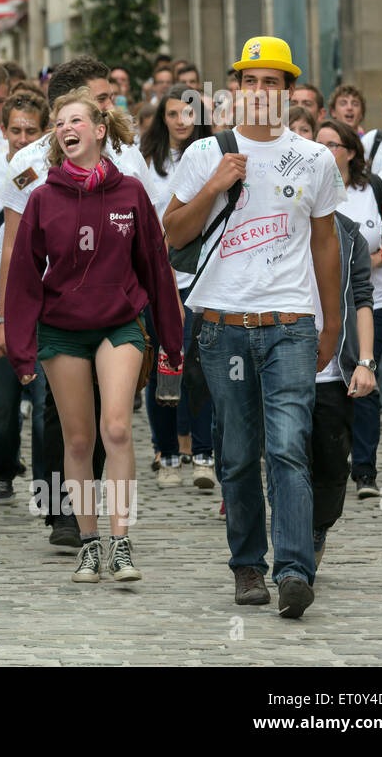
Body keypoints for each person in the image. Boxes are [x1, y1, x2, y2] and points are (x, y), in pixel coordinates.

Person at [164, 35, 344, 619]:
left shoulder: (314, 158)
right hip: (221, 324)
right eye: (251, 80)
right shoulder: (204, 153)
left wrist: (331, 324)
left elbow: (325, 244)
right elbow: (172, 234)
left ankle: (294, 569)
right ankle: (247, 564)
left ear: (288, 92)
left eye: (273, 81)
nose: (261, 91)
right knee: (238, 453)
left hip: (290, 322)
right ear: (236, 89)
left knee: (289, 447)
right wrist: (216, 183)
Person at [6, 89, 182, 582]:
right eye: (59, 122)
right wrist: (20, 347)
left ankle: (121, 541)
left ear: (99, 131)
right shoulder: (42, 197)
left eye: (77, 119)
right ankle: (88, 541)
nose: (66, 127)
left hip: (119, 324)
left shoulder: (129, 193)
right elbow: (23, 276)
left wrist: (171, 338)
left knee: (118, 428)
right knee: (79, 440)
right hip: (62, 332)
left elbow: (154, 265)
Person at [0, 91, 50, 503]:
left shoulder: (54, 171)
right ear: (3, 130)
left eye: (30, 130)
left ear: (45, 131)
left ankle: (46, 486)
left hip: (46, 302)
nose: (21, 137)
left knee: (44, 407)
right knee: (0, 407)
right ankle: (2, 467)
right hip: (0, 302)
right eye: (14, 129)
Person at [138, 85, 216, 488]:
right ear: (162, 119)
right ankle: (167, 451)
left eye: (188, 114)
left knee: (202, 367)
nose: (181, 122)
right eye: (172, 115)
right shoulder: (147, 161)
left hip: (205, 273)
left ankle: (203, 451)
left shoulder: (214, 155)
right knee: (162, 366)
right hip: (158, 275)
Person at [313, 117, 382, 506]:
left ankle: (317, 530)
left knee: (328, 467)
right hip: (285, 362)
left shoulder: (350, 230)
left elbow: (362, 297)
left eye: (333, 146)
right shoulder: (283, 228)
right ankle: (294, 553)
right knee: (286, 459)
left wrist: (366, 361)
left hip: (336, 363)